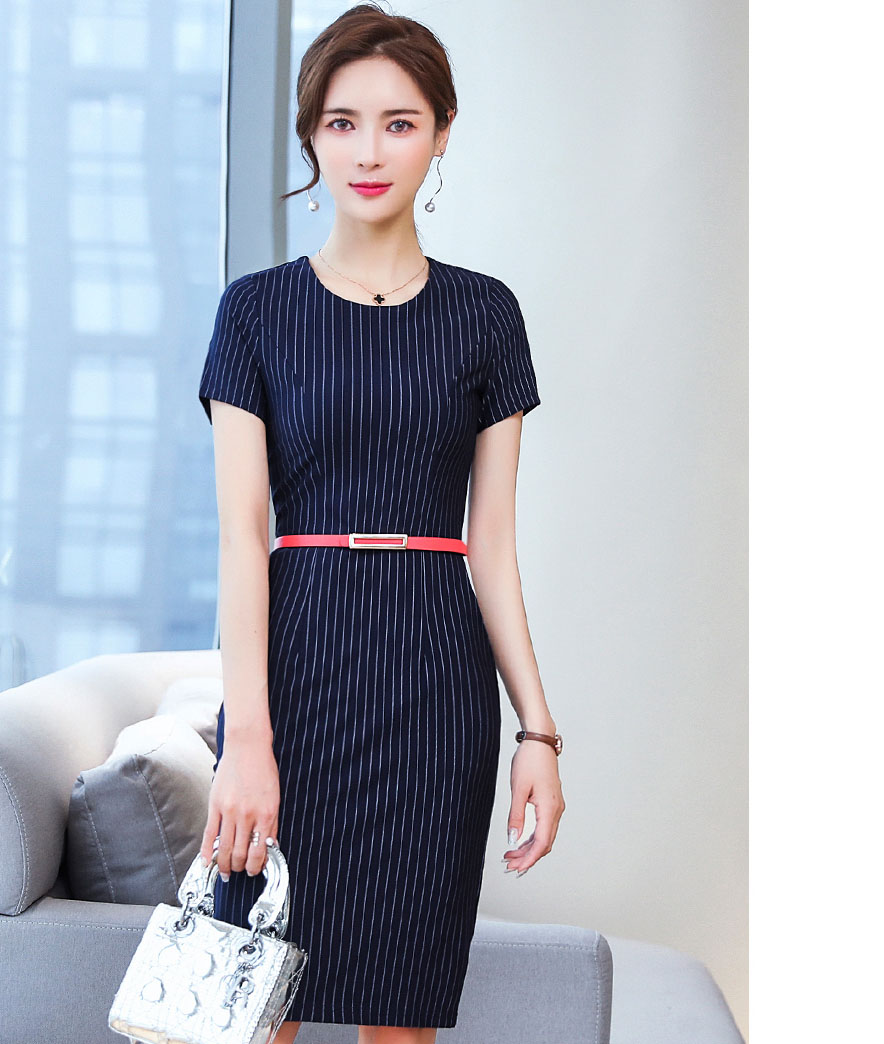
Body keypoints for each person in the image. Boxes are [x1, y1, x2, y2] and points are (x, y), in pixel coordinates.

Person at [196, 5, 565, 1042]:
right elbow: (241, 538)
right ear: (311, 135)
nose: (368, 152)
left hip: (435, 685)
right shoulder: (255, 312)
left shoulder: (486, 314)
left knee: (401, 1015)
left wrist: (538, 732)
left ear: (442, 133)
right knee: (255, 1003)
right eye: (342, 122)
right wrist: (246, 741)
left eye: (399, 123)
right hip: (296, 673)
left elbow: (494, 547)